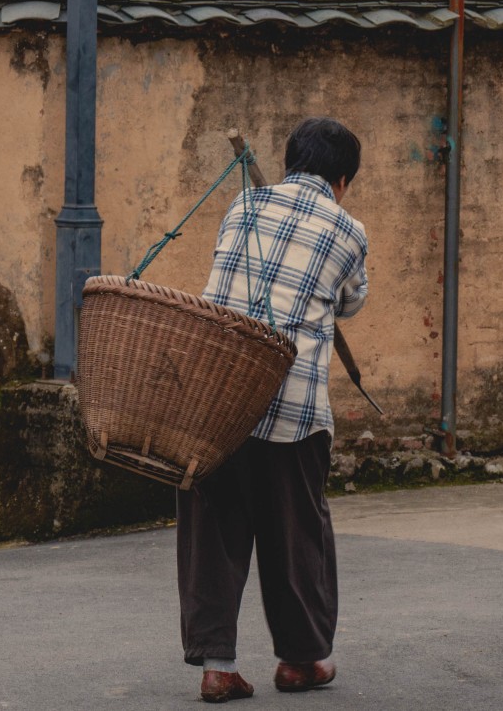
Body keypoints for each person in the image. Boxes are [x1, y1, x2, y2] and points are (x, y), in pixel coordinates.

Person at [179, 117, 370, 703]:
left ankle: (217, 667)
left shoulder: (242, 207)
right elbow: (351, 302)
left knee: (214, 531)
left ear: (289, 164)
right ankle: (301, 661)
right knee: (297, 537)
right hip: (291, 406)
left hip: (215, 400)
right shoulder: (348, 230)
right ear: (342, 180)